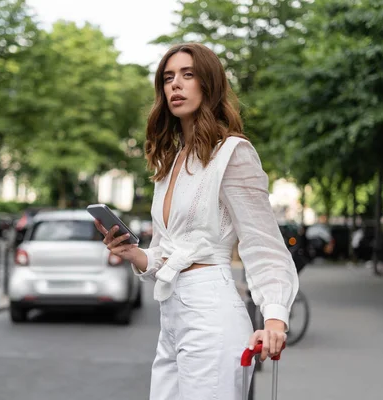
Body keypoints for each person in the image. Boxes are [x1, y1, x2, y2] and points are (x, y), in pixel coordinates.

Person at [93, 43, 299, 400]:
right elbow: (166, 252)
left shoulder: (233, 153)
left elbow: (263, 243)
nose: (176, 85)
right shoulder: (171, 163)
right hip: (172, 317)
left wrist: (275, 318)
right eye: (168, 78)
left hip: (212, 314)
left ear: (209, 84)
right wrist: (134, 254)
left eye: (188, 75)